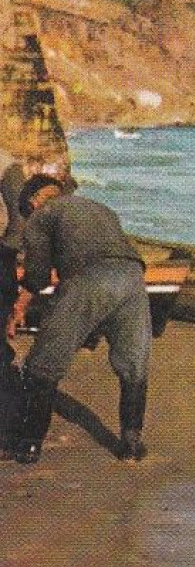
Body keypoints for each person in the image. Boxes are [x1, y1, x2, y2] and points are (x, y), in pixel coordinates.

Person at [6, 174, 151, 464]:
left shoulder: (42, 214)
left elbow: (37, 275)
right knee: (133, 364)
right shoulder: (98, 207)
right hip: (134, 279)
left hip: (89, 280)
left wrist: (18, 306)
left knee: (43, 365)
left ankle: (29, 445)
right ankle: (131, 442)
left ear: (33, 202)